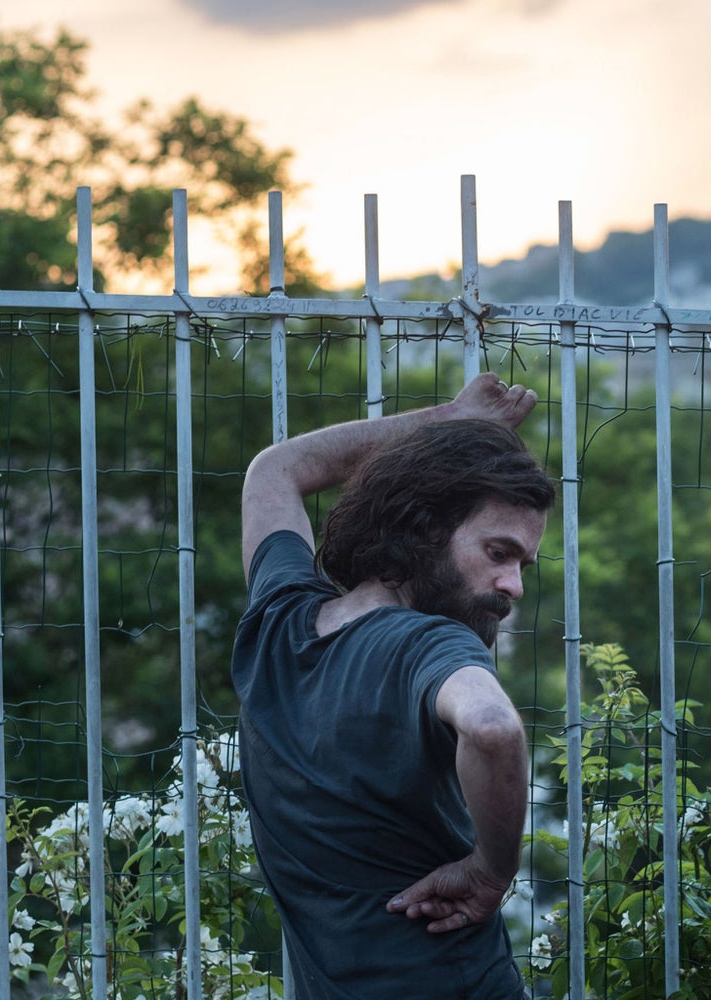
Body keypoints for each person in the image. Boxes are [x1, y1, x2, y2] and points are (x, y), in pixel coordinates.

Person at [233, 372, 552, 998]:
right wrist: (492, 873)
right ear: (426, 528)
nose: (514, 585)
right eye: (497, 552)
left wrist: (456, 420)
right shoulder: (429, 643)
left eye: (521, 565)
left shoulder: (277, 624)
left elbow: (276, 470)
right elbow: (492, 727)